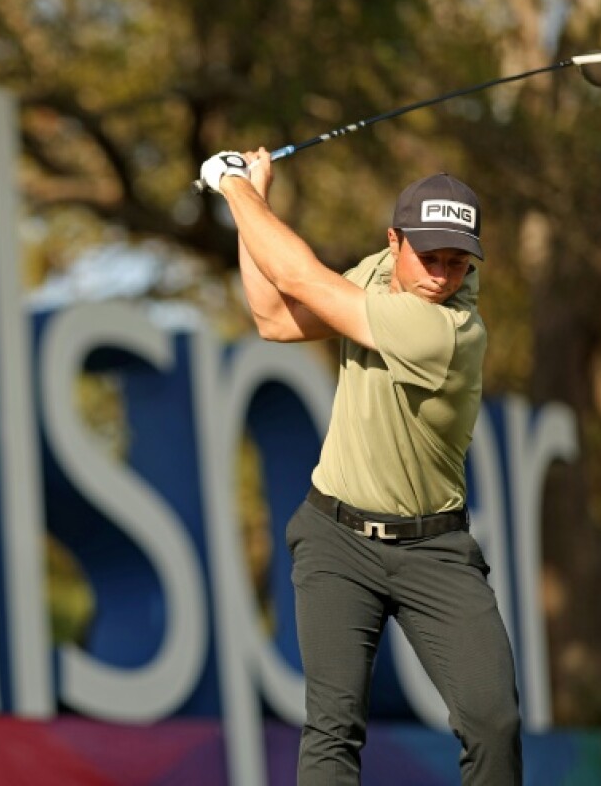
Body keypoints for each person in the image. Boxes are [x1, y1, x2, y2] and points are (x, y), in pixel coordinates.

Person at [198, 149, 522, 785]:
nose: (443, 275)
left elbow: (309, 282)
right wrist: (252, 204)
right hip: (336, 539)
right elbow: (272, 316)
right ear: (393, 242)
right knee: (332, 726)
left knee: (493, 721)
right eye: (430, 257)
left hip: (435, 549)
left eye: (459, 260)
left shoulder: (449, 330)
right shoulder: (375, 274)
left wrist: (236, 187)